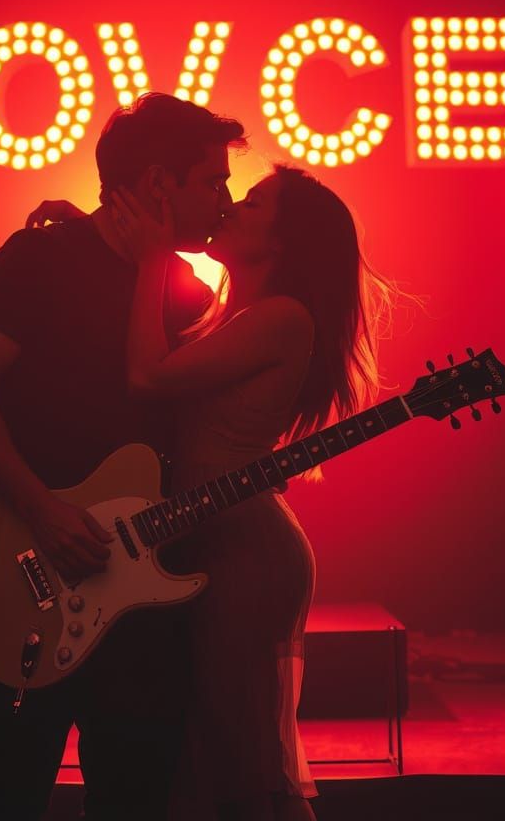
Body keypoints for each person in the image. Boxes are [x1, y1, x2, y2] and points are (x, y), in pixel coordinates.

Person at [0, 92, 246, 821]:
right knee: (1, 793)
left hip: (140, 593)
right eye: (213, 181)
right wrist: (41, 509)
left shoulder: (187, 293)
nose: (224, 201)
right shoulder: (37, 259)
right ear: (159, 184)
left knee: (137, 795)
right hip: (25, 568)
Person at [101, 164, 390, 820]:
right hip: (208, 537)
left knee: (246, 761)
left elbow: (148, 377)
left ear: (282, 240)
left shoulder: (282, 317)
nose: (230, 205)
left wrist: (151, 257)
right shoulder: (234, 312)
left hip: (244, 552)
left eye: (253, 202)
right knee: (210, 754)